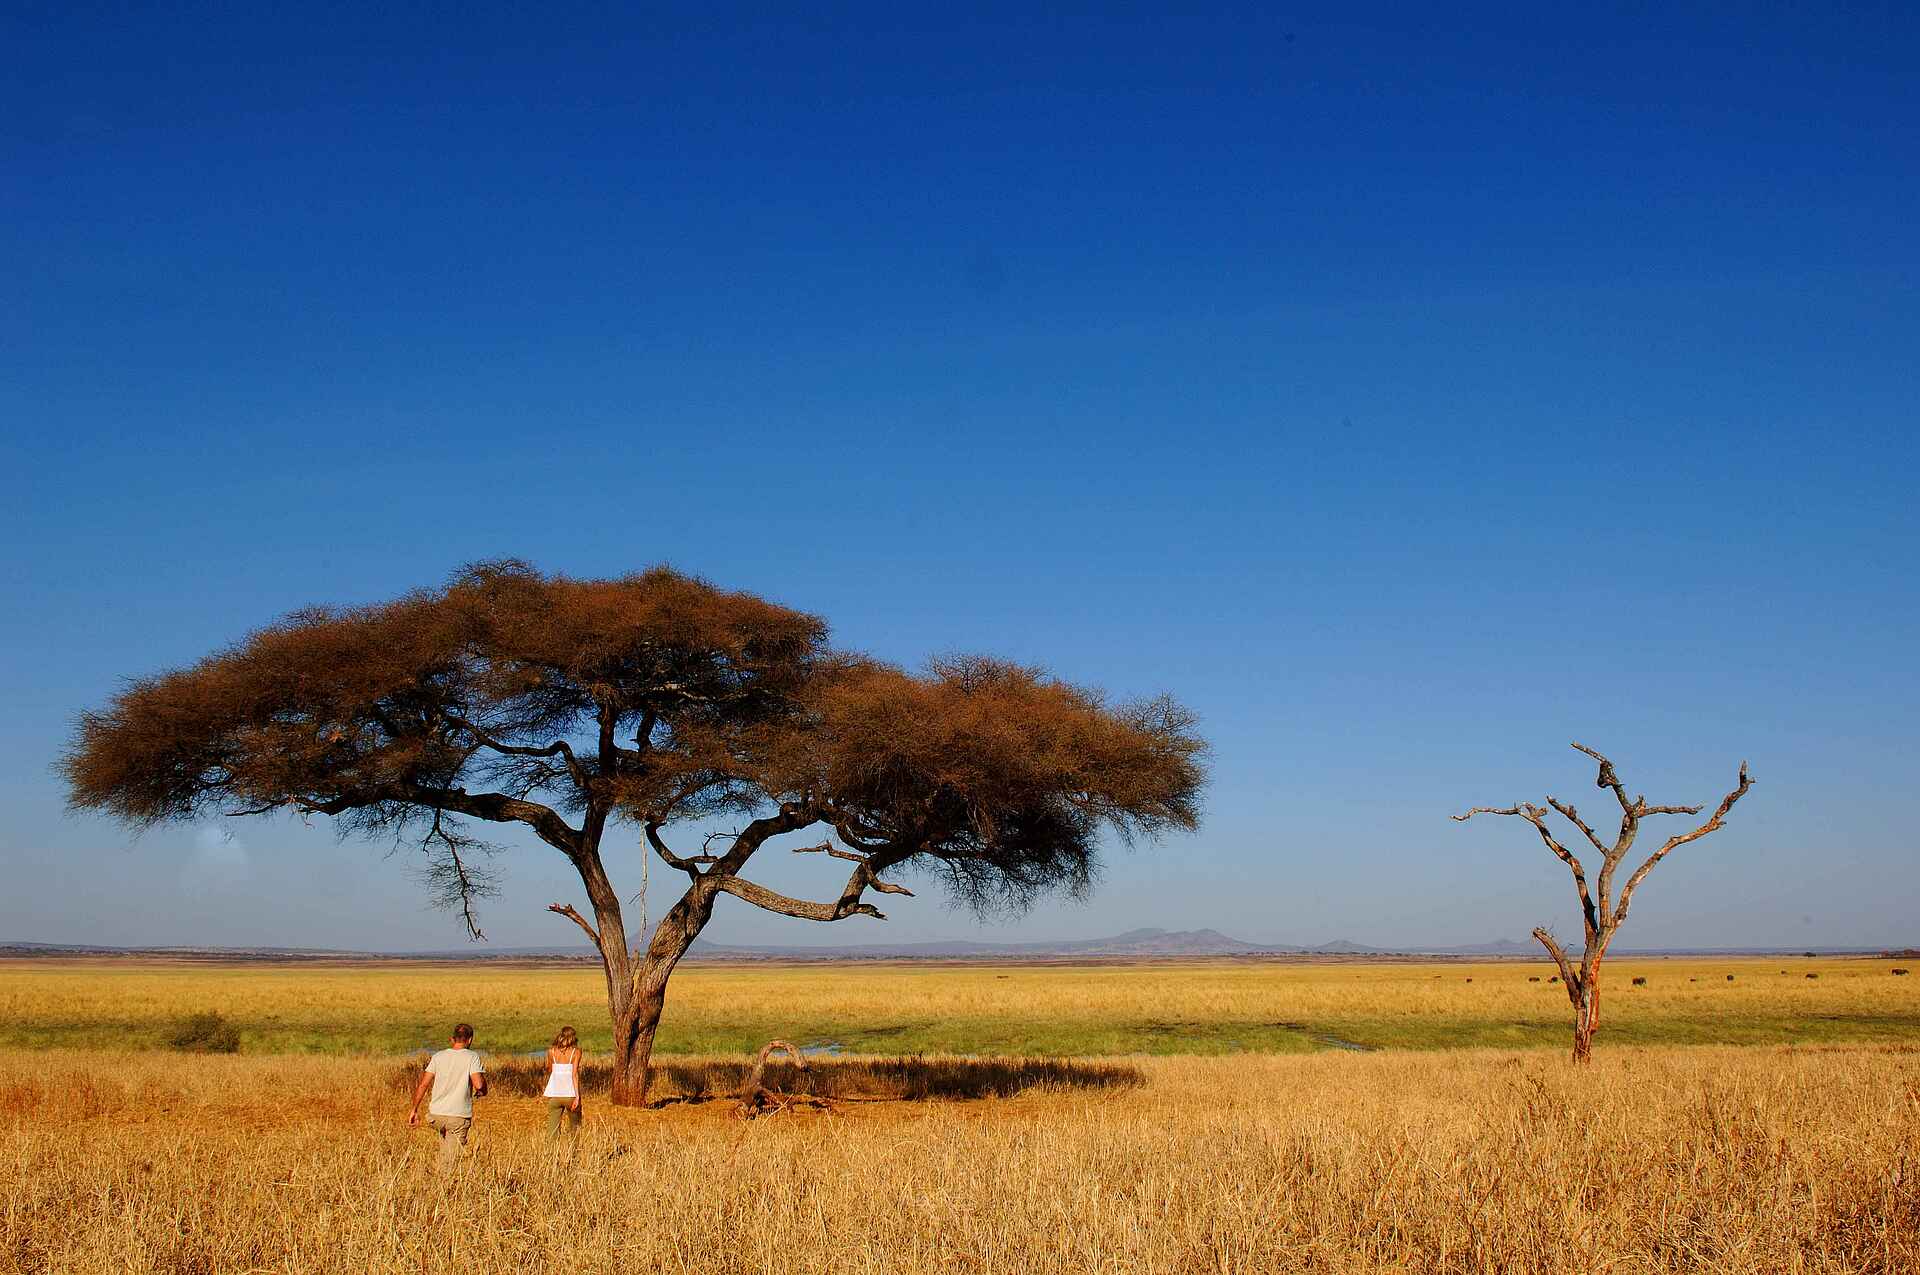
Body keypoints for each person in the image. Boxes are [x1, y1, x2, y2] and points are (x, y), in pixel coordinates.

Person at [408, 1023, 487, 1172]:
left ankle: (437, 1177)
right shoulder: (472, 1056)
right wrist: (482, 1088)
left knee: (445, 1154)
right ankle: (443, 1183)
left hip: (436, 1116)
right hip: (457, 1117)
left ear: (452, 1039)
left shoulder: (438, 1056)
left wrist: (414, 1109)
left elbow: (423, 1085)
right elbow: (478, 1084)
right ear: (470, 1040)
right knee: (450, 1164)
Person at [543, 1025, 584, 1140]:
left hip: (554, 1095)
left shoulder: (551, 1051)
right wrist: (577, 1097)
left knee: (552, 1130)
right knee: (575, 1127)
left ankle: (551, 1150)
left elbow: (550, 1070)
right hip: (570, 1094)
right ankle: (574, 1150)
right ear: (573, 1037)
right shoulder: (576, 1052)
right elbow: (574, 1075)